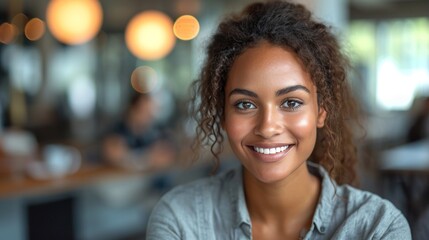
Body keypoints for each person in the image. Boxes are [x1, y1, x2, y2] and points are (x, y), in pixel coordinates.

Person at [146, 1, 411, 239]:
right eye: (245, 104)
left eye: (291, 102)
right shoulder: (180, 221)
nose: (267, 127)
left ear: (321, 111)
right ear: (223, 115)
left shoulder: (378, 228)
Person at [101, 92, 174, 171]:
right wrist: (148, 159)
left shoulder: (157, 133)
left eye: (150, 112)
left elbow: (166, 157)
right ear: (132, 110)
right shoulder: (116, 131)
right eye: (143, 111)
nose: (148, 116)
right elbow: (113, 155)